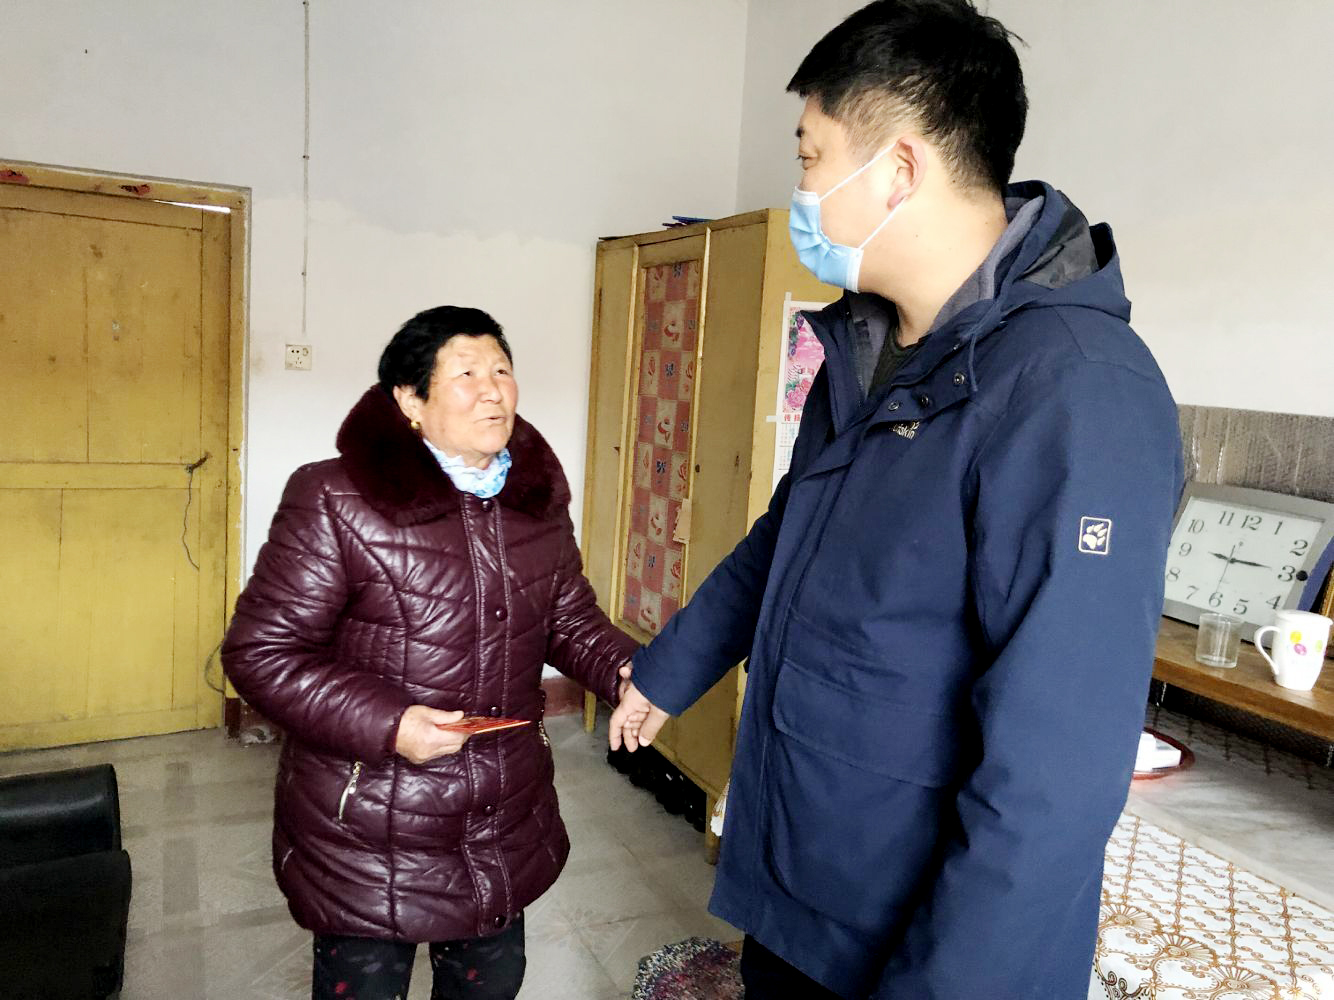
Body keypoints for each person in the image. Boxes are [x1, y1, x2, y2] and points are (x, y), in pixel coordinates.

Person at [610, 2, 1184, 997]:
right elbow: (785, 539)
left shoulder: (1075, 391)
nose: (799, 191)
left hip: (920, 938)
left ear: (900, 169)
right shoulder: (871, 348)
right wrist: (669, 670)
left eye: (809, 157)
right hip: (808, 878)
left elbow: (1051, 783)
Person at [223, 306, 638, 1000]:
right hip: (370, 822)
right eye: (466, 373)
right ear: (410, 402)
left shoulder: (533, 502)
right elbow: (263, 653)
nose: (493, 390)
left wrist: (629, 671)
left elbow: (567, 619)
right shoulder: (335, 498)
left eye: (502, 370)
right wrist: (393, 725)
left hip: (501, 812)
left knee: (490, 983)